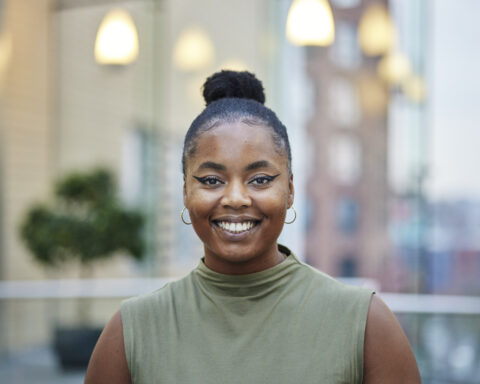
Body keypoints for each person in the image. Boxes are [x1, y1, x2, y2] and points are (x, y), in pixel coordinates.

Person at [85, 70, 421, 383]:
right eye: (211, 180)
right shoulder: (131, 332)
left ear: (289, 190)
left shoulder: (365, 325)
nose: (235, 198)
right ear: (185, 191)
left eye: (260, 179)